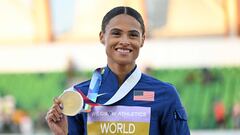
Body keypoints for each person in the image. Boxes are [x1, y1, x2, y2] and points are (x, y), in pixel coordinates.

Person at [45, 6, 190, 135]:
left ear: (142, 40)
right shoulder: (78, 97)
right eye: (116, 33)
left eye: (133, 35)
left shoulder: (164, 94)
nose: (125, 41)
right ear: (102, 37)